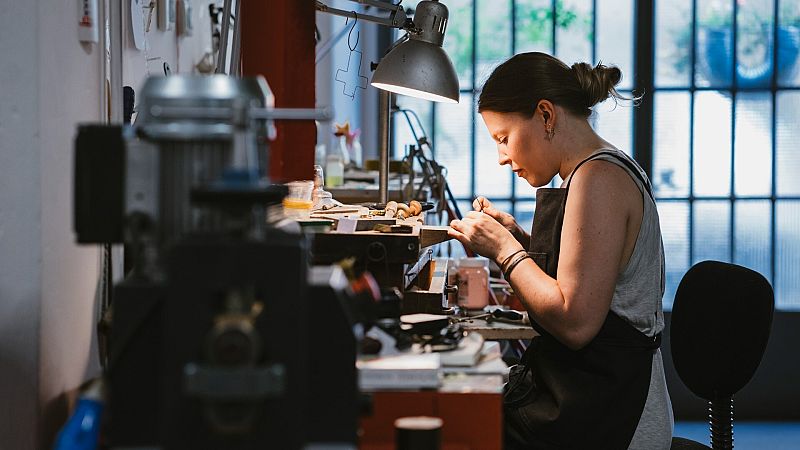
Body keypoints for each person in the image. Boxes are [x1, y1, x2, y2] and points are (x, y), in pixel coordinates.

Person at [448, 52, 673, 449]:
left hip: (614, 414)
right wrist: (518, 239)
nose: (502, 157)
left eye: (504, 138)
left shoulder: (598, 178)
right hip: (597, 398)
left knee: (461, 432)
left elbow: (575, 322)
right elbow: (580, 275)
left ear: (546, 115)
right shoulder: (594, 172)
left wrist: (504, 251)